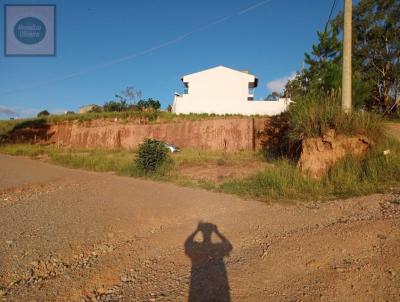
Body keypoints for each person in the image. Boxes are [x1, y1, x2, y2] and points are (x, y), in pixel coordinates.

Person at [184, 222, 233, 302]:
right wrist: (217, 232)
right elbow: (229, 246)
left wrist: (197, 230)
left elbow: (187, 244)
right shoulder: (215, 250)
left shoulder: (197, 250)